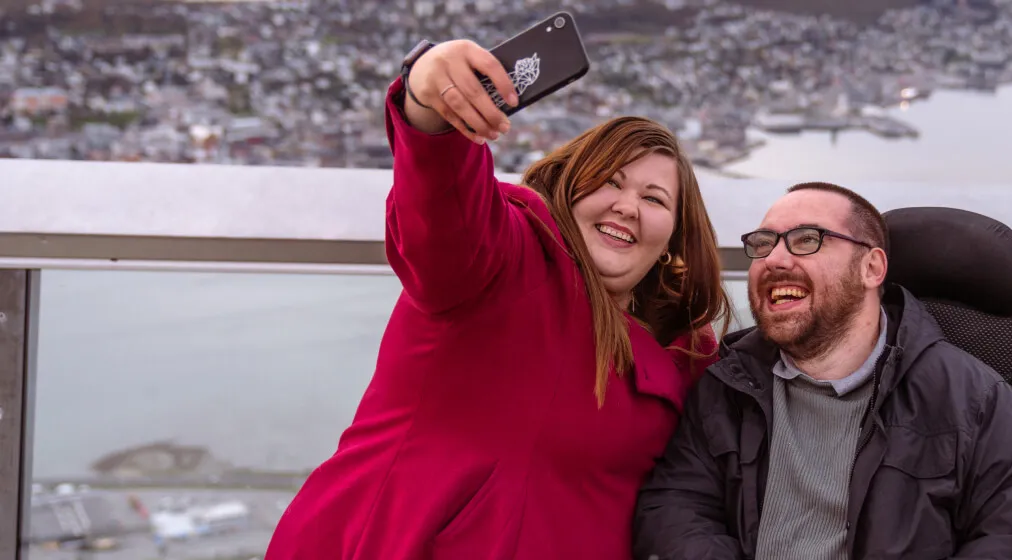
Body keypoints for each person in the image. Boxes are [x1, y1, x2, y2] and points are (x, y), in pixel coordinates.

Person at [265, 39, 732, 560]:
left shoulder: (684, 355)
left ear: (672, 237)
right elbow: (443, 205)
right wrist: (430, 102)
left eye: (653, 198)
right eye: (610, 182)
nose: (626, 206)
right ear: (569, 188)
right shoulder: (505, 265)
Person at [633, 182, 1012, 559]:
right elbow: (675, 508)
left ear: (872, 268)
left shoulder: (976, 400)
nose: (774, 259)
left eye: (807, 239)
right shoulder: (727, 384)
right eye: (764, 242)